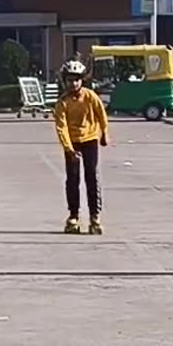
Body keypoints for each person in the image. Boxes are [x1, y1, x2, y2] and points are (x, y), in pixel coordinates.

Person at [52, 59, 109, 235]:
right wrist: (69, 149)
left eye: (76, 80)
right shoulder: (63, 102)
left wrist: (105, 133)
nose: (73, 83)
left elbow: (101, 114)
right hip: (73, 142)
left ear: (82, 80)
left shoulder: (90, 96)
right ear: (65, 81)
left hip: (90, 139)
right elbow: (61, 127)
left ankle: (94, 215)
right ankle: (74, 215)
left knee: (91, 177)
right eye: (70, 80)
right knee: (73, 179)